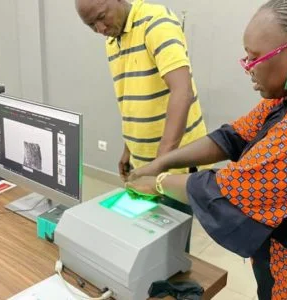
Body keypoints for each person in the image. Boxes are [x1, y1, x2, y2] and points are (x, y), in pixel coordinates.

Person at [126, 0, 287, 299]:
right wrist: (162, 162)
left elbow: (228, 190)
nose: (248, 68)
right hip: (279, 262)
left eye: (254, 58)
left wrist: (156, 184)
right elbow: (231, 137)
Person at [75, 0, 209, 180]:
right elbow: (132, 100)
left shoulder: (156, 22)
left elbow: (183, 92)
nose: (101, 29)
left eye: (101, 17)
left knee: (172, 209)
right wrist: (128, 150)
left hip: (177, 164)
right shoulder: (112, 40)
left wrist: (160, 163)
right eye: (91, 25)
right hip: (144, 164)